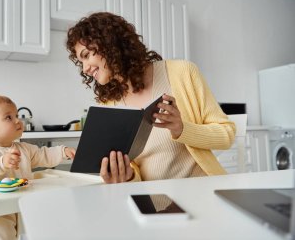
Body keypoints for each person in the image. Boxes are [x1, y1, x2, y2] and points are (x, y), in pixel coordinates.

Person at [66, 12, 236, 184]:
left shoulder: (182, 72)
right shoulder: (109, 104)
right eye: (81, 62)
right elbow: (134, 170)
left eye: (86, 55)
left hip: (203, 190)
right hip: (153, 202)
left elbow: (226, 135)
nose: (85, 69)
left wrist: (182, 129)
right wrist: (128, 176)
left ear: (109, 43)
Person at [0, 95, 75, 240]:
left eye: (16, 115)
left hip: (24, 203)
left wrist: (63, 152)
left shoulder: (23, 149)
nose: (18, 120)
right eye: (8, 117)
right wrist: (1, 162)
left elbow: (43, 155)